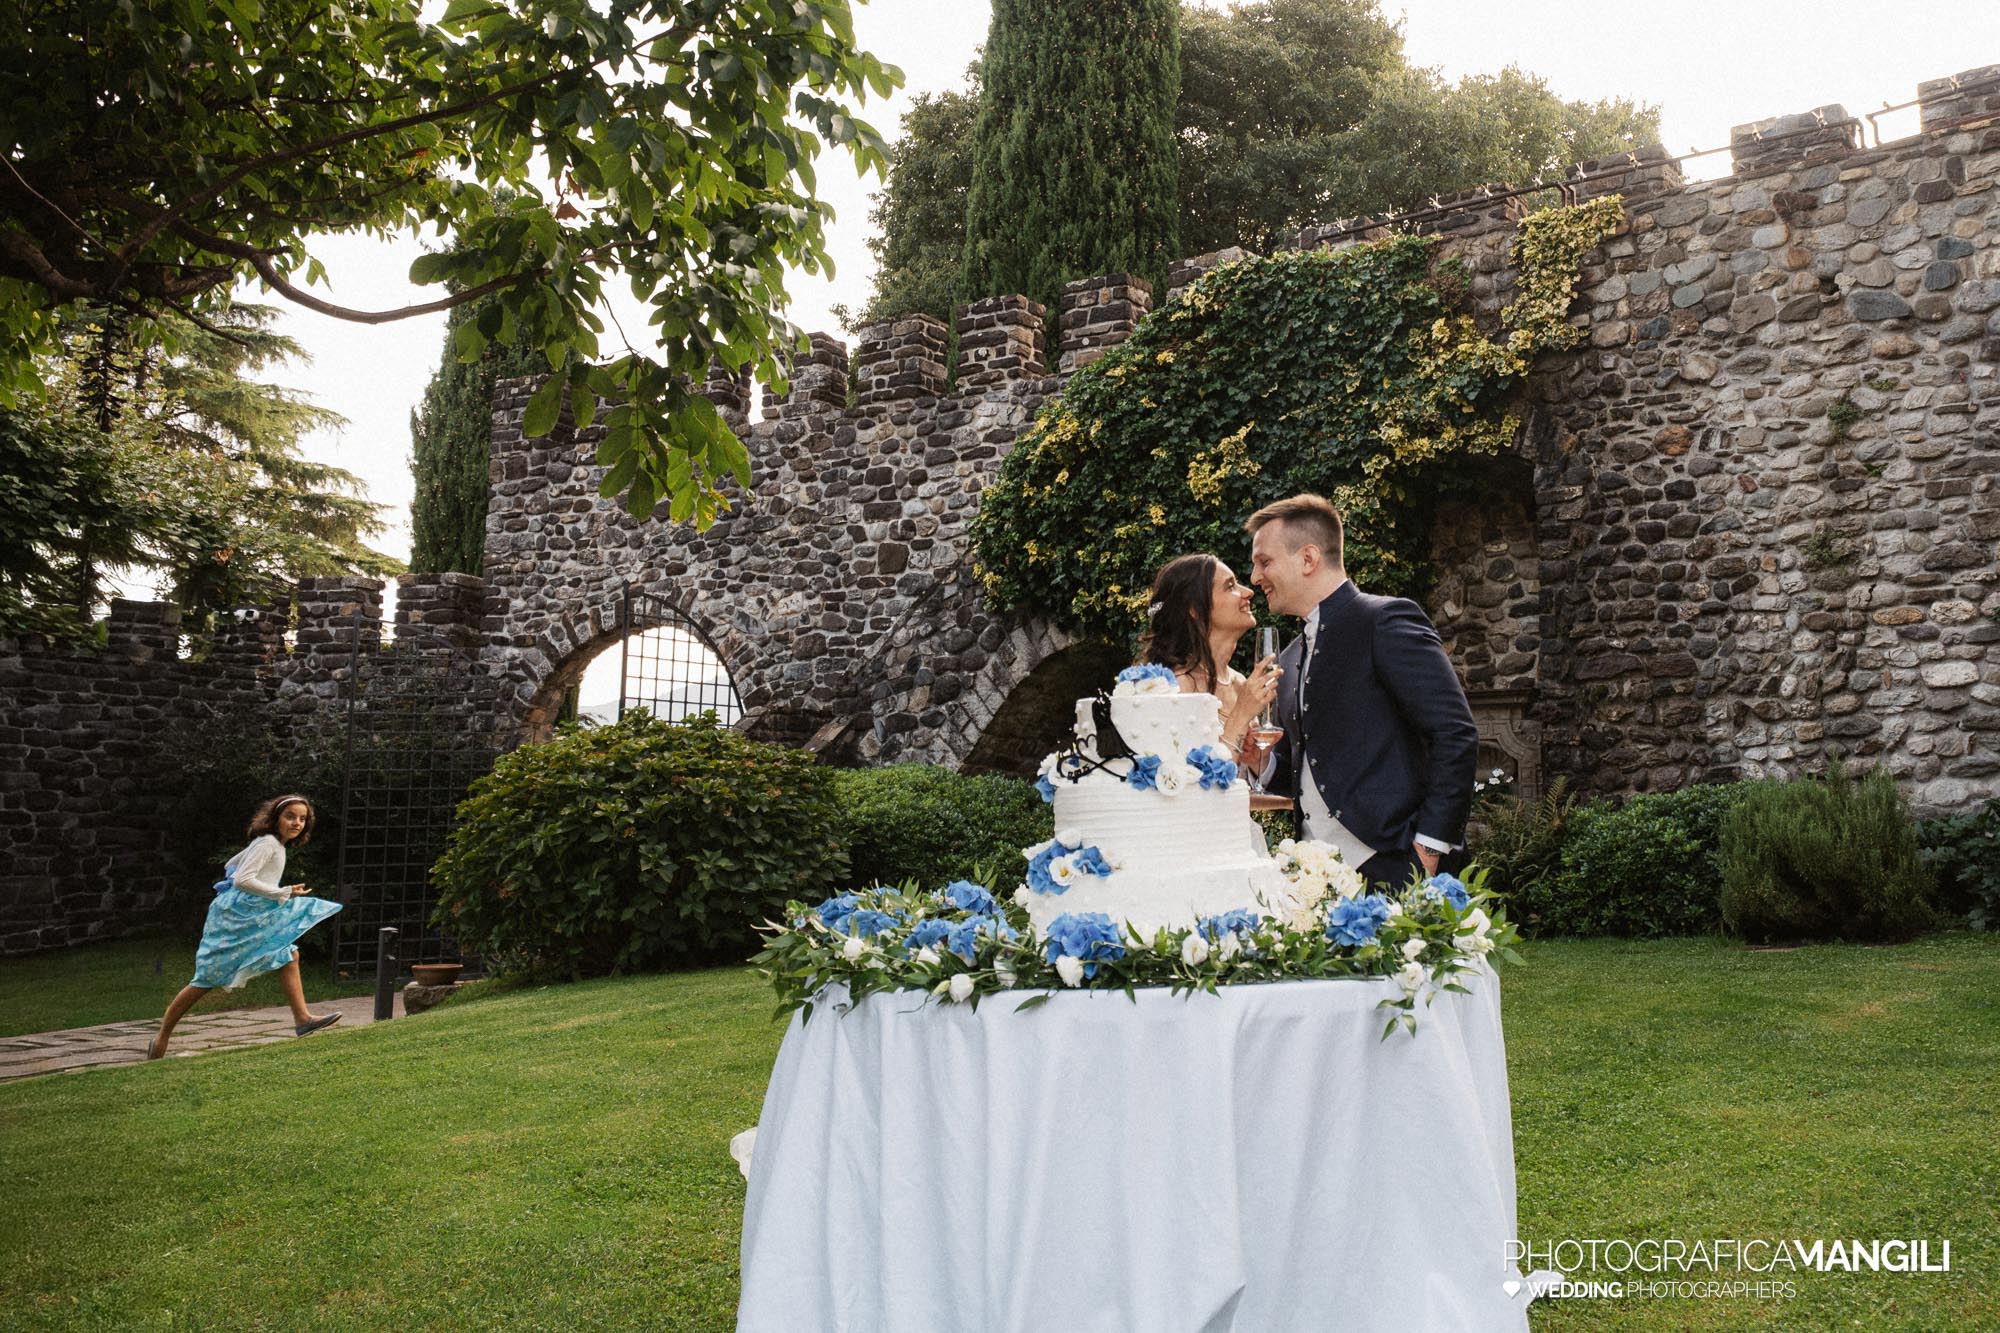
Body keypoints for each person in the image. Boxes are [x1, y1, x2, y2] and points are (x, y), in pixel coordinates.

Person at [1246, 494, 1479, 890]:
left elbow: (1455, 734)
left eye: (1264, 562)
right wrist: (1261, 762)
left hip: (1397, 863)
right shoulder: (1291, 653)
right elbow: (1308, 771)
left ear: (1308, 559)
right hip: (1313, 878)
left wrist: (1428, 851)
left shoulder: (1385, 620)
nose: (1255, 577)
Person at [150, 794, 344, 1059]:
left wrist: (274, 891)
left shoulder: (273, 844)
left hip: (250, 913)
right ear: (275, 818)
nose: (296, 823)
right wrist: (280, 892)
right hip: (237, 918)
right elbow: (242, 879)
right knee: (206, 979)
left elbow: (232, 865)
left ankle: (302, 1019)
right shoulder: (268, 843)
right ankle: (161, 1038)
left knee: (289, 954)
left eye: (302, 819)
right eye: (290, 816)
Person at [1138, 552, 1282, 764]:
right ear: (1195, 609)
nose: (1248, 592)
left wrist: (1257, 761)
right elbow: (1190, 784)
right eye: (1230, 586)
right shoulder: (1175, 687)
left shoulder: (1241, 683)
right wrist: (1242, 713)